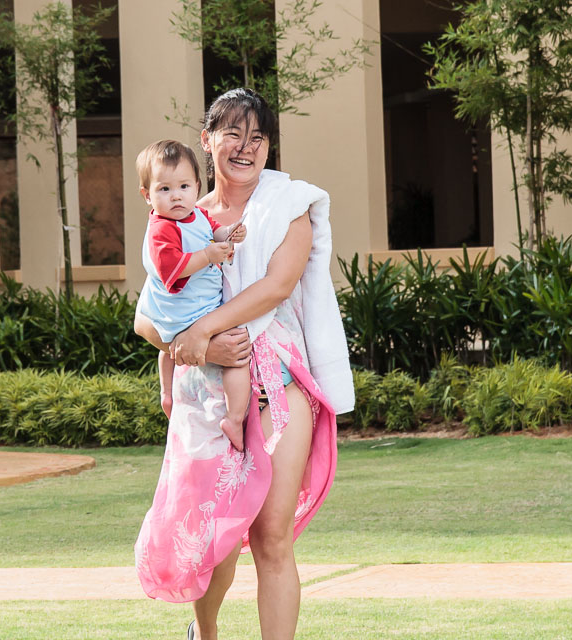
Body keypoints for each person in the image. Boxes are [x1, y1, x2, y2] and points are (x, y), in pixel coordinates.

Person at [134, 88, 354, 640]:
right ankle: (204, 633)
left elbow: (276, 287)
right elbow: (145, 319)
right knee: (217, 539)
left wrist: (203, 327)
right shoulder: (183, 217)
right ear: (207, 141)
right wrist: (202, 345)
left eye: (257, 137)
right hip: (206, 393)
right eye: (232, 133)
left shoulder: (288, 206)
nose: (246, 147)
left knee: (271, 538)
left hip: (280, 383)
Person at [135, 139, 249, 451]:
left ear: (197, 187)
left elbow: (215, 232)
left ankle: (167, 394)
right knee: (236, 358)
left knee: (167, 348)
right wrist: (208, 255)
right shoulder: (162, 229)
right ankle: (234, 419)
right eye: (164, 189)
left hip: (180, 315)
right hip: (186, 312)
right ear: (147, 195)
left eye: (184, 186)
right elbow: (172, 268)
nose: (176, 196)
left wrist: (230, 234)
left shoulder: (197, 215)